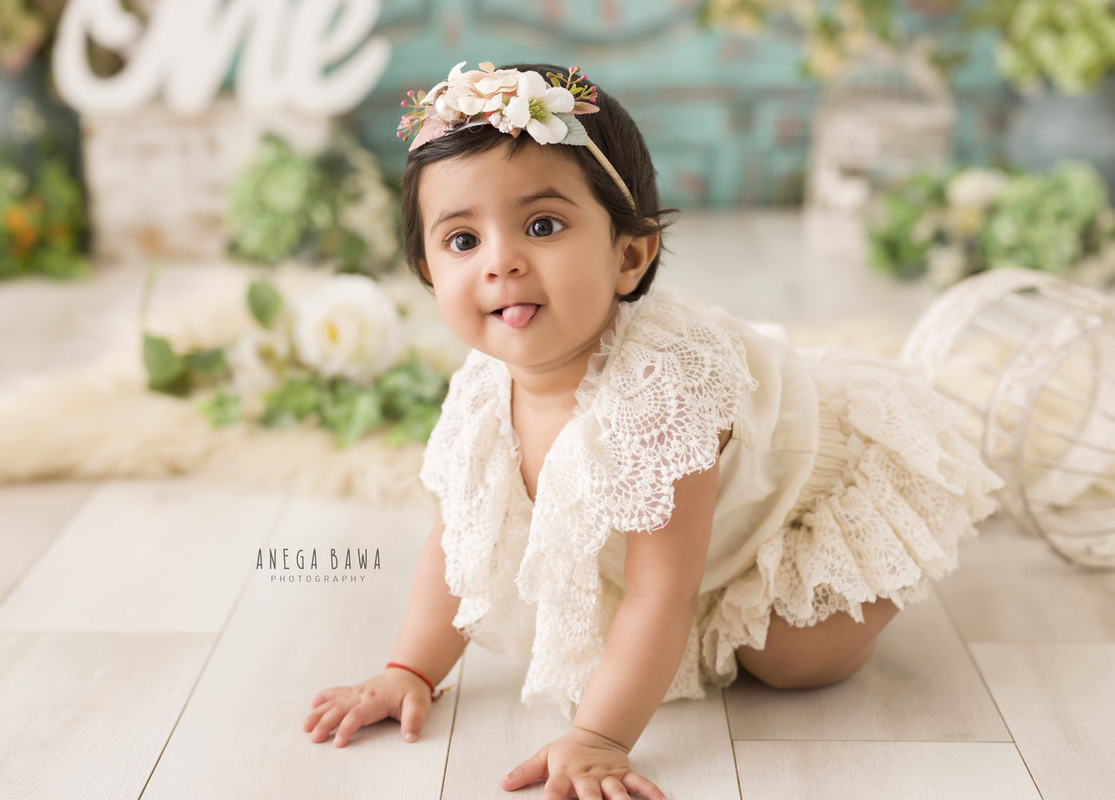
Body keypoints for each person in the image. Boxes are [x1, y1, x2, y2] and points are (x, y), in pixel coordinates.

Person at [301, 60, 1005, 799]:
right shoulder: (482, 391)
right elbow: (457, 542)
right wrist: (408, 670)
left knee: (792, 661)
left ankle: (881, 577)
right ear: (425, 270)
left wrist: (599, 739)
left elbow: (659, 593)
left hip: (799, 503)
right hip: (702, 548)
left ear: (629, 255)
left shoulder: (660, 393)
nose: (501, 261)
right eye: (462, 241)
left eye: (542, 225)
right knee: (664, 618)